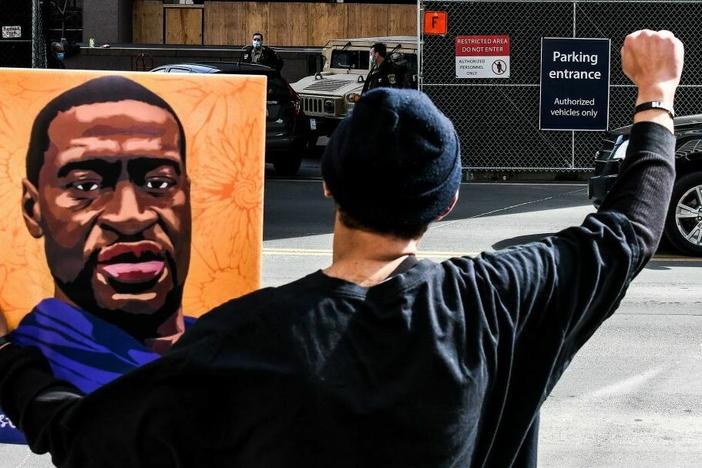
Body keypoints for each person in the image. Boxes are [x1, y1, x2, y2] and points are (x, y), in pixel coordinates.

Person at [0, 30, 682, 467]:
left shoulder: (243, 340)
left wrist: (15, 364)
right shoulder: (497, 302)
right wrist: (655, 95)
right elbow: (630, 230)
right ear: (446, 203)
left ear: (327, 185)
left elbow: (83, 437)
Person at [0, 75, 195, 444]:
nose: (130, 216)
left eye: (158, 183)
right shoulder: (33, 360)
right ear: (33, 208)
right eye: (85, 186)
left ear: (187, 196)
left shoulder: (222, 347)